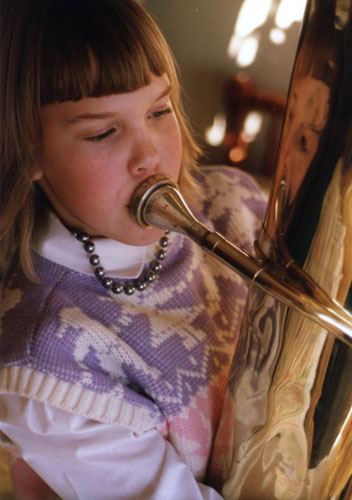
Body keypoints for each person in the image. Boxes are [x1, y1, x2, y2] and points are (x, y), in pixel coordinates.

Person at [0, 1, 267, 498]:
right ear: (28, 149)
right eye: (102, 132)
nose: (150, 156)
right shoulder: (48, 367)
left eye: (159, 111)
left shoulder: (237, 201)